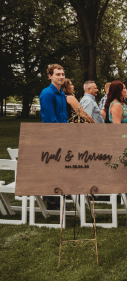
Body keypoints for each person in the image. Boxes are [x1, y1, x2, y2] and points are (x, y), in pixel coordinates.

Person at [39, 64, 69, 209]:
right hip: (52, 136)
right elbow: (51, 120)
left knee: (61, 170)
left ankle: (59, 200)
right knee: (53, 170)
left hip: (63, 135)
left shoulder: (62, 93)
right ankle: (53, 203)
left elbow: (64, 117)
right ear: (50, 76)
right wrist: (61, 134)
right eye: (58, 74)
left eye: (62, 74)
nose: (61, 76)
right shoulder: (47, 93)